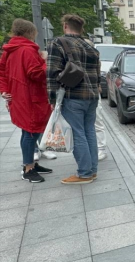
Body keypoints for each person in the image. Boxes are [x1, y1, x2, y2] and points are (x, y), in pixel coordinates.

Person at [46, 14, 100, 184]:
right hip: (92, 97)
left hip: (73, 95)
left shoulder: (58, 43)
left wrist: (52, 98)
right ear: (81, 28)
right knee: (89, 131)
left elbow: (51, 73)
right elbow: (97, 75)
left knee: (78, 133)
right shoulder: (91, 46)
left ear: (65, 26)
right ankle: (92, 170)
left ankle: (84, 173)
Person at [0, 19, 52, 182]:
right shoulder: (28, 50)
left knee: (28, 131)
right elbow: (36, 74)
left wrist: (4, 90)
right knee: (31, 131)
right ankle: (28, 168)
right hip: (31, 98)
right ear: (31, 33)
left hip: (19, 97)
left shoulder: (9, 50)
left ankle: (32, 164)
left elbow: (2, 71)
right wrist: (45, 61)